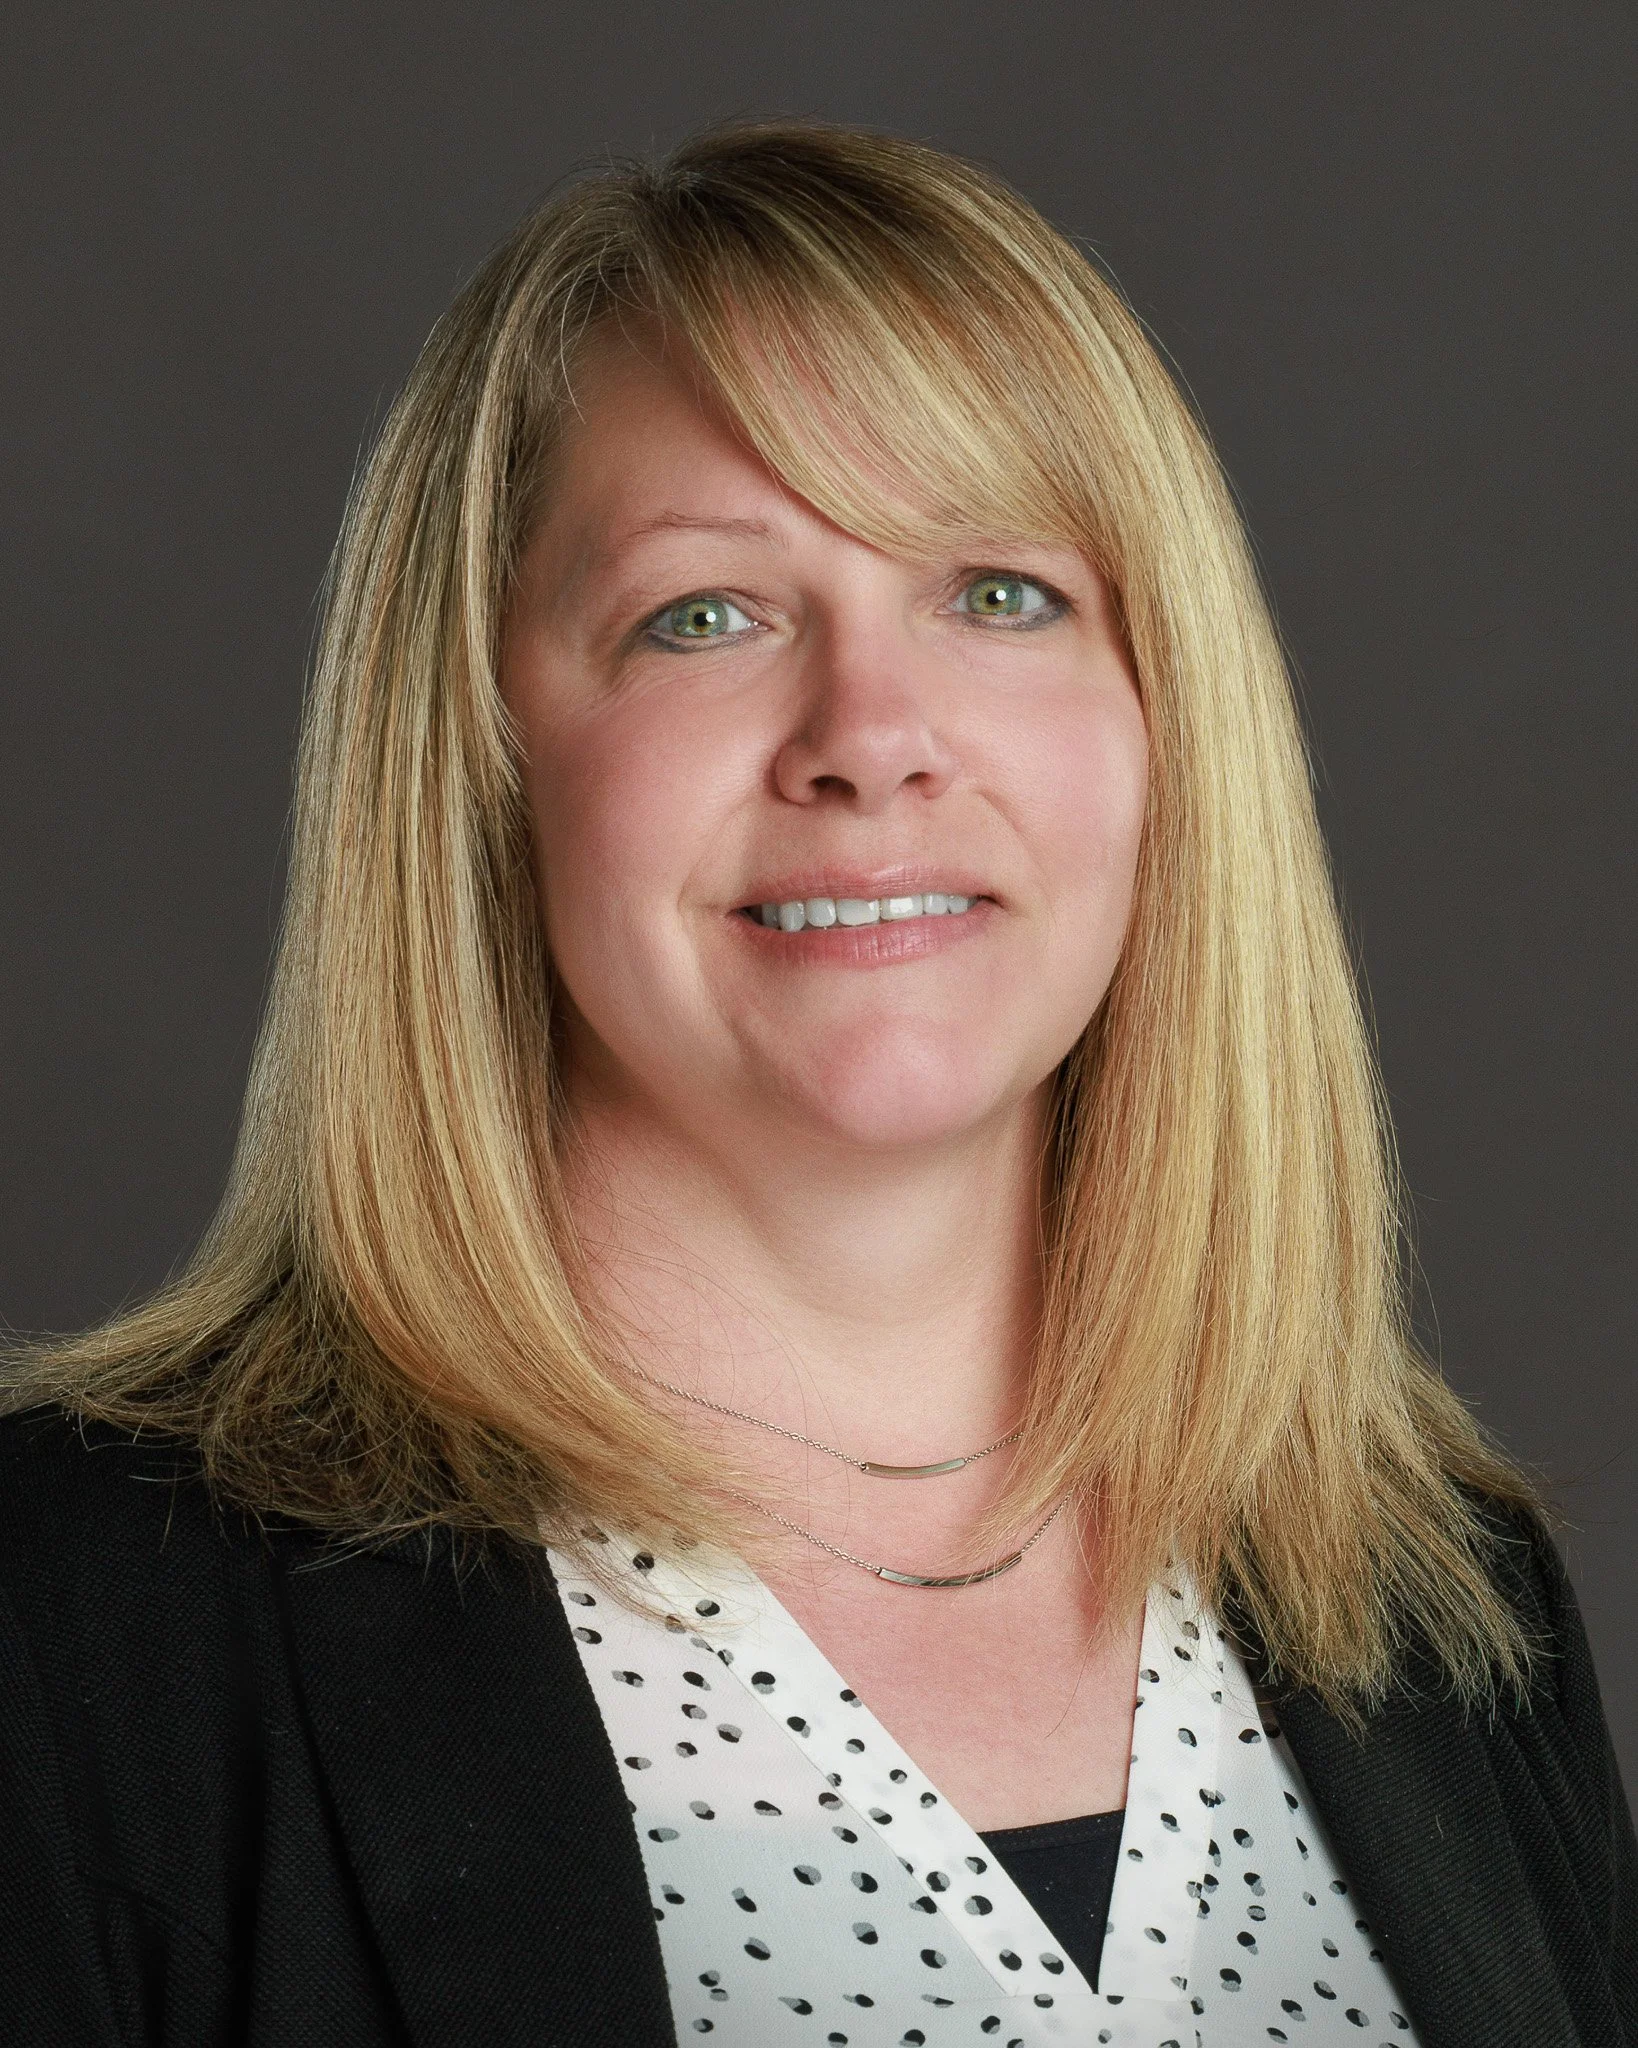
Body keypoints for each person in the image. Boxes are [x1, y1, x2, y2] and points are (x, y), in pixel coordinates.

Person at [1, 120, 1631, 2048]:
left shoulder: (1435, 1591)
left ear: (1162, 718)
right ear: (484, 762)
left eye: (1001, 593)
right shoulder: (74, 1631)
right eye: (705, 615)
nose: (872, 737)